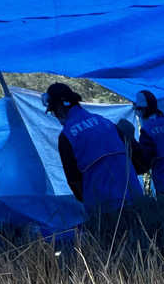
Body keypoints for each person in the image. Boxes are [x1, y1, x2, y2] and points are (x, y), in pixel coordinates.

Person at [42, 82, 142, 214]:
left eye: (54, 111)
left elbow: (74, 181)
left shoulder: (67, 136)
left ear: (60, 106)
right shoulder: (105, 122)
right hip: (136, 198)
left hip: (106, 207)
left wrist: (91, 206)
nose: (56, 115)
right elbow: (137, 159)